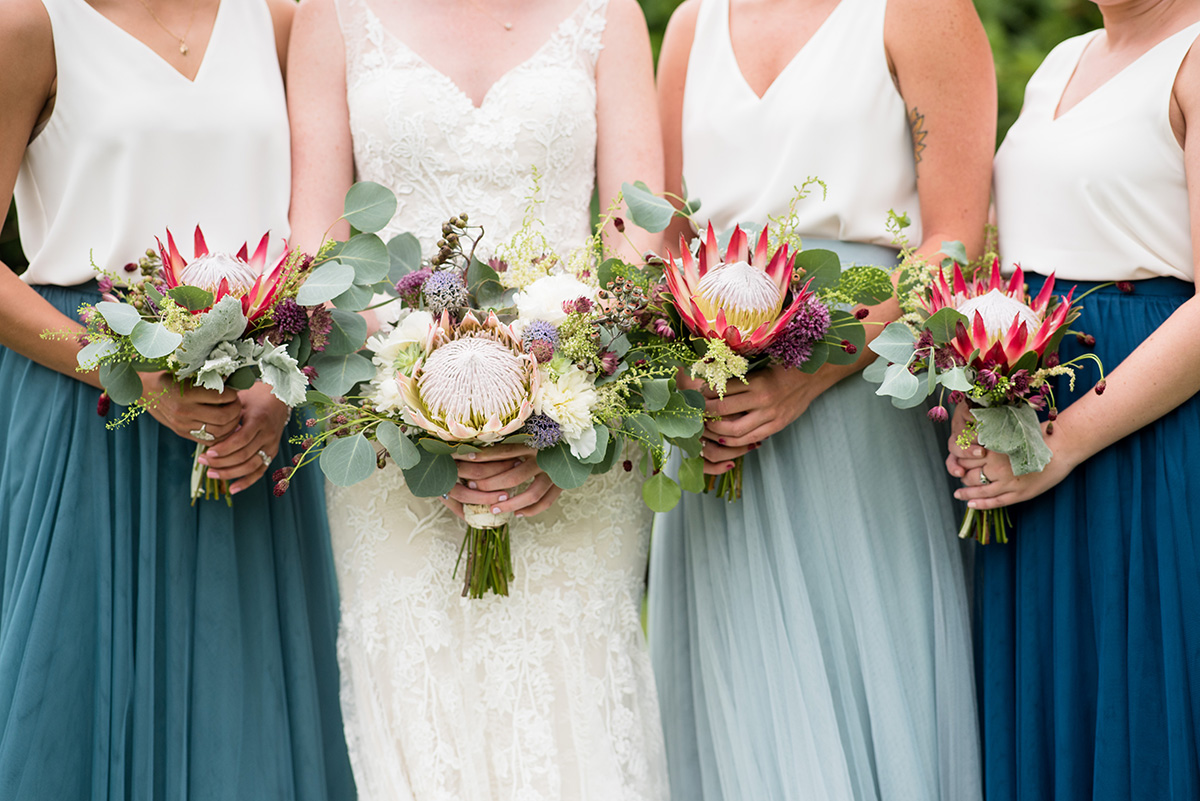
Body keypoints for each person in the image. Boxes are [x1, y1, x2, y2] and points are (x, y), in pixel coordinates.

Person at [286, 0, 668, 798]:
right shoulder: (332, 15)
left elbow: (640, 242)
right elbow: (313, 246)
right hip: (388, 442)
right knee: (417, 705)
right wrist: (401, 406)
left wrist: (564, 410)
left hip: (574, 420)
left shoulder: (609, 15)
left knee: (572, 704)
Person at [0, 0, 355, 798]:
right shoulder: (31, 25)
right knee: (74, 692)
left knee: (246, 704)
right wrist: (131, 375)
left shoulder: (278, 21)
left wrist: (278, 381)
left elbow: (319, 225)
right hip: (86, 410)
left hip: (256, 409)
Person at [646, 0, 995, 798]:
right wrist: (685, 373)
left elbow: (952, 240)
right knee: (733, 688)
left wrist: (817, 366)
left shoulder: (919, 11)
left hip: (859, 395)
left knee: (861, 661)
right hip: (715, 408)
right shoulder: (692, 24)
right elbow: (664, 237)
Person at [949, 2, 1200, 797]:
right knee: (1047, 699)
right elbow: (1008, 255)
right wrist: (966, 393)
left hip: (1134, 434)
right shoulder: (1062, 59)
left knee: (1137, 698)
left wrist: (1064, 441)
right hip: (1026, 420)